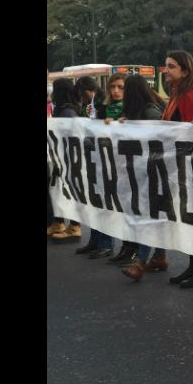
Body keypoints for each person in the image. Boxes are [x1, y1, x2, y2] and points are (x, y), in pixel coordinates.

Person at [123, 50, 193, 286]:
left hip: (183, 167)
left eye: (171, 66)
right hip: (171, 166)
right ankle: (189, 265)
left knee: (182, 216)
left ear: (184, 71)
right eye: (165, 65)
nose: (166, 70)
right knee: (164, 213)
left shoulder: (190, 97)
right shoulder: (176, 95)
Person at [106, 74, 165, 267]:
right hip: (142, 173)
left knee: (147, 216)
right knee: (149, 216)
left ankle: (141, 261)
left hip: (151, 173)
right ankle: (157, 257)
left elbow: (158, 142)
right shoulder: (140, 113)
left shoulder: (150, 113)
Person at [75, 73, 127, 259]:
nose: (116, 91)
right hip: (98, 159)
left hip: (118, 164)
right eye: (113, 87)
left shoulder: (129, 109)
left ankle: (107, 243)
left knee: (109, 205)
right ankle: (95, 240)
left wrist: (119, 124)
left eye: (120, 87)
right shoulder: (103, 106)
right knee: (96, 202)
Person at [46, 78, 83, 242]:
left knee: (68, 192)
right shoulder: (64, 109)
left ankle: (74, 226)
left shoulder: (67, 112)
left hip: (68, 160)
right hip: (62, 159)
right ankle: (60, 223)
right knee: (59, 191)